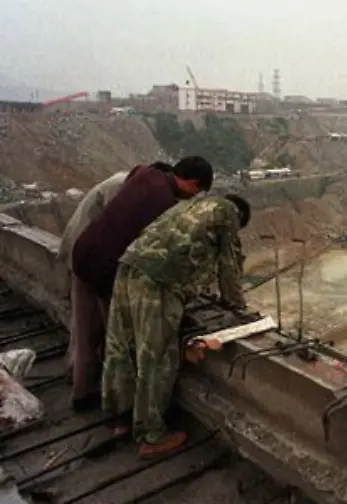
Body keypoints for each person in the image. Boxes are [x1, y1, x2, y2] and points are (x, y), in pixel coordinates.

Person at [101, 194, 250, 458]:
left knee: (121, 343)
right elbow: (229, 264)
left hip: (129, 265)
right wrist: (236, 306)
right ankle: (151, 435)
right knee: (156, 357)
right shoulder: (228, 212)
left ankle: (118, 416)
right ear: (239, 218)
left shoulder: (192, 204)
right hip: (160, 281)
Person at [69, 157, 213, 412]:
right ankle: (120, 411)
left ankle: (81, 395)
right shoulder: (165, 207)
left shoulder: (147, 173)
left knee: (84, 332)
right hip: (106, 270)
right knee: (118, 341)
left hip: (83, 254)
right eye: (196, 192)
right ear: (192, 183)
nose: (192, 198)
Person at [58, 163, 171, 411]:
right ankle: (109, 400)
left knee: (85, 326)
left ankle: (81, 385)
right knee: (102, 330)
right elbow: (119, 232)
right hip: (92, 258)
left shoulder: (127, 184)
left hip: (82, 251)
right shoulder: (123, 188)